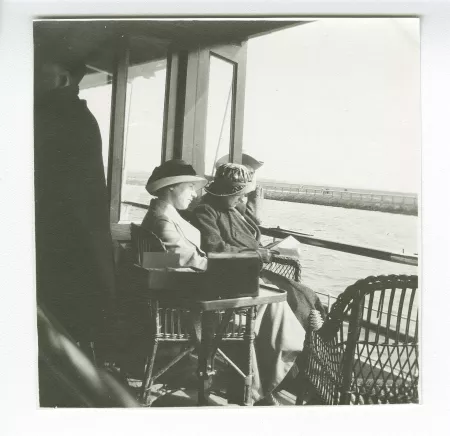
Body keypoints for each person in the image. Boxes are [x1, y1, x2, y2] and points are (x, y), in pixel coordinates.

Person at [140, 159, 305, 405]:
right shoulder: (164, 221)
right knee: (274, 306)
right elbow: (194, 259)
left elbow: (162, 259)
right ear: (172, 187)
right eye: (190, 188)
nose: (195, 193)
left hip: (187, 292)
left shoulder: (161, 215)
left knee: (277, 301)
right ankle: (260, 387)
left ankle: (261, 384)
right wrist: (239, 263)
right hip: (191, 304)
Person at [34, 57, 116, 349]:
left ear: (64, 79)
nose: (32, 79)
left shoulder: (63, 117)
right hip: (68, 238)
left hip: (62, 240)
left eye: (40, 72)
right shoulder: (69, 115)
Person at [192, 163, 326, 330]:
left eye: (243, 195)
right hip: (231, 277)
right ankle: (299, 343)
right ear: (225, 192)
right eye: (238, 195)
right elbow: (214, 249)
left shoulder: (231, 208)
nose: (242, 199)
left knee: (303, 293)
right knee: (289, 297)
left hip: (249, 270)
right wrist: (257, 254)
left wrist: (265, 249)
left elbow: (251, 229)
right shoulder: (206, 211)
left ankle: (310, 335)